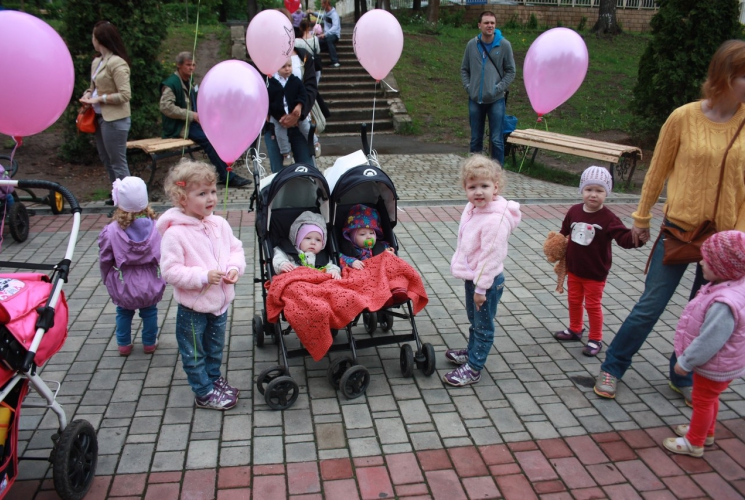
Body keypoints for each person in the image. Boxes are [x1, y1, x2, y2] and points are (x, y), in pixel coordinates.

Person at [594, 40, 745, 404]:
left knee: (705, 313)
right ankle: (613, 366)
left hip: (724, 242)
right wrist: (642, 217)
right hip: (678, 229)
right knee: (650, 305)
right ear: (725, 76)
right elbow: (657, 171)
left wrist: (739, 237)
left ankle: (683, 372)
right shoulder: (683, 117)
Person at [157, 159, 246, 410]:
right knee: (194, 353)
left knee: (215, 348)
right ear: (182, 198)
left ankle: (214, 379)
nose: (211, 198)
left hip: (219, 303)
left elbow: (234, 249)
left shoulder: (219, 223)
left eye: (213, 191)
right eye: (202, 193)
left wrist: (233, 268)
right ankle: (203, 392)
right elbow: (170, 271)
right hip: (193, 309)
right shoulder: (175, 234)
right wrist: (202, 276)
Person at [661, 231, 745, 458]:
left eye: (706, 260)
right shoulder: (734, 286)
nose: (700, 263)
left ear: (724, 266)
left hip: (713, 364)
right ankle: (706, 431)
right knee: (709, 399)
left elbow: (710, 340)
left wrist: (686, 362)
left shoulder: (724, 303)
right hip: (723, 363)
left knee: (702, 401)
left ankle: (694, 443)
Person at [445, 155, 521, 386]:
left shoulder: (494, 220)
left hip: (486, 281)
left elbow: (490, 258)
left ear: (496, 187)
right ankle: (471, 352)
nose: (478, 192)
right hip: (474, 277)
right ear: (465, 188)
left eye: (485, 186)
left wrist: (481, 289)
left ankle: (475, 367)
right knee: (474, 320)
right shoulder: (473, 208)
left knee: (483, 326)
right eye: (472, 187)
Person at [552, 166, 641, 357]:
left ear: (607, 192)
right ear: (582, 190)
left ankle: (595, 338)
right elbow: (564, 231)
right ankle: (575, 329)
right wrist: (555, 243)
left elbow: (623, 238)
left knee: (592, 306)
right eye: (589, 189)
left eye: (599, 191)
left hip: (595, 272)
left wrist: (637, 237)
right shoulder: (574, 211)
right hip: (574, 269)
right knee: (574, 300)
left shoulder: (608, 218)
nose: (593, 195)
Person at [160, 52, 251, 188]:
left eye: (194, 65)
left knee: (219, 133)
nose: (191, 68)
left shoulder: (190, 81)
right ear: (179, 66)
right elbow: (165, 106)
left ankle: (225, 171)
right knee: (209, 140)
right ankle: (228, 177)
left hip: (193, 123)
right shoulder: (171, 84)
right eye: (188, 65)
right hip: (179, 126)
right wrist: (191, 115)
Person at [98, 177, 165, 356]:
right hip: (150, 278)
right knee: (149, 311)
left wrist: (106, 277)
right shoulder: (157, 228)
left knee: (124, 312)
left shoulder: (111, 231)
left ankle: (124, 344)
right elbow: (164, 254)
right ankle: (149, 343)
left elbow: (105, 258)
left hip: (124, 280)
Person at [79, 21, 132, 205]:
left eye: (94, 36)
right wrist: (87, 94)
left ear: (100, 38)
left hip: (115, 119)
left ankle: (128, 201)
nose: (92, 40)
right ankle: (116, 194)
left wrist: (99, 99)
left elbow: (125, 95)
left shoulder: (117, 63)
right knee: (106, 158)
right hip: (100, 118)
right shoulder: (97, 62)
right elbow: (93, 87)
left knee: (118, 161)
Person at [262, 11, 319, 173]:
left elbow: (310, 88)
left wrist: (297, 113)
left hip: (301, 122)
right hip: (276, 125)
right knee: (279, 175)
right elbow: (262, 93)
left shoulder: (303, 56)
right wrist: (280, 117)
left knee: (308, 171)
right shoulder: (263, 60)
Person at [460, 11, 515, 165]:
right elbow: (464, 69)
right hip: (475, 99)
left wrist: (498, 88)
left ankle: (497, 174)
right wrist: (469, 87)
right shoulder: (472, 45)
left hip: (496, 100)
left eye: (492, 23)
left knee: (496, 139)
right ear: (479, 25)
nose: (489, 26)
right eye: (486, 23)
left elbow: (511, 71)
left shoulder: (504, 45)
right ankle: (475, 171)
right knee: (476, 139)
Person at [272, 211, 341, 279]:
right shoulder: (288, 251)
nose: (313, 242)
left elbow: (330, 265)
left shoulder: (323, 257)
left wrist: (333, 271)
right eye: (308, 238)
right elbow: (278, 257)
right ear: (298, 240)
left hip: (316, 282)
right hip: (294, 278)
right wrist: (282, 264)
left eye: (318, 240)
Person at [269, 59, 311, 165]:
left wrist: (299, 106)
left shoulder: (295, 80)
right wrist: (280, 117)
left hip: (296, 112)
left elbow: (303, 94)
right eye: (284, 67)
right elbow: (270, 102)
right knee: (280, 134)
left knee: (306, 126)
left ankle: (314, 142)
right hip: (279, 115)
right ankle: (286, 153)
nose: (287, 69)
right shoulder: (272, 83)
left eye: (289, 66)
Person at [339, 204, 395, 270]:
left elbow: (389, 251)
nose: (369, 237)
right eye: (362, 234)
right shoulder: (348, 249)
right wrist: (352, 262)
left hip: (380, 270)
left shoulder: (381, 245)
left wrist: (389, 252)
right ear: (352, 237)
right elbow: (339, 257)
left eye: (372, 233)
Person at [295, 18, 322, 83]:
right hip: (313, 65)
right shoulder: (315, 39)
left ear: (300, 27)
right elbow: (318, 51)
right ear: (309, 27)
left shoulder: (296, 41)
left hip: (302, 65)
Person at [318, 0, 340, 68]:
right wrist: (312, 13)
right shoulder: (326, 13)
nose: (321, 5)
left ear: (326, 4)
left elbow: (335, 27)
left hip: (334, 35)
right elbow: (322, 16)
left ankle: (335, 62)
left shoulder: (334, 15)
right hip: (326, 35)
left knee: (329, 40)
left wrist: (325, 34)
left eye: (322, 4)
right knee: (317, 41)